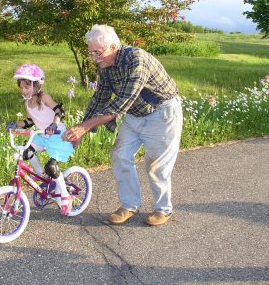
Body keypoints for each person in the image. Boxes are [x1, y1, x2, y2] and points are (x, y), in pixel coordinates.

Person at [62, 24, 183, 226]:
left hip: (162, 113)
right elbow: (100, 98)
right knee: (120, 154)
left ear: (113, 47)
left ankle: (163, 209)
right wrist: (81, 130)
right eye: (91, 53)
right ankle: (130, 205)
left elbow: (121, 103)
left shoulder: (137, 60)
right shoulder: (105, 67)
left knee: (156, 166)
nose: (94, 58)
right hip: (135, 114)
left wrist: (84, 127)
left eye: (97, 52)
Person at [8, 64, 75, 216]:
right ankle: (42, 176)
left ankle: (65, 196)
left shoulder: (44, 97)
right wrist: (15, 124)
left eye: (27, 87)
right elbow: (30, 122)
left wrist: (54, 124)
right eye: (22, 88)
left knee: (51, 166)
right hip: (42, 135)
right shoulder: (27, 103)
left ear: (36, 85)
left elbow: (59, 111)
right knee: (26, 152)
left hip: (57, 135)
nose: (24, 91)